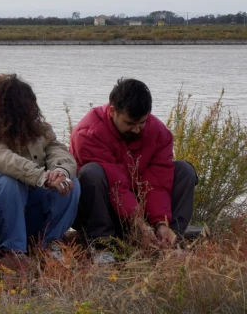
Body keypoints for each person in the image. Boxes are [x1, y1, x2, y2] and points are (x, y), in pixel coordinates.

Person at [70, 78, 197, 260]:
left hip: (136, 206)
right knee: (92, 173)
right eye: (130, 123)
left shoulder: (158, 133)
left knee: (184, 170)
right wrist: (139, 224)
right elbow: (116, 185)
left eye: (142, 122)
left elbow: (157, 183)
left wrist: (161, 221)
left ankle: (169, 241)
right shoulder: (89, 133)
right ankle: (103, 246)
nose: (137, 129)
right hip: (99, 209)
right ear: (113, 111)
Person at [0, 74, 80, 256]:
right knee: (9, 181)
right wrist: (43, 177)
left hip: (27, 213)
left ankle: (49, 245)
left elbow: (58, 152)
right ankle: (13, 252)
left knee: (70, 182)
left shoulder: (39, 130)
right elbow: (8, 161)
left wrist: (59, 172)